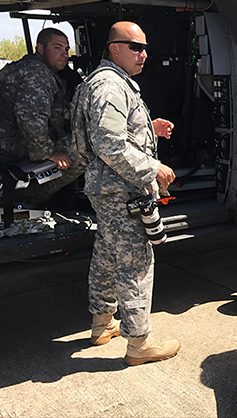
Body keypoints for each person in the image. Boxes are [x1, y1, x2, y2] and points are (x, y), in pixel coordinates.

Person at [71, 21, 178, 365]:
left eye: (145, 48)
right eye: (135, 47)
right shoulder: (110, 86)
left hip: (107, 188)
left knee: (106, 254)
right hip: (121, 189)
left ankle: (102, 324)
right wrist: (153, 168)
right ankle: (138, 344)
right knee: (136, 262)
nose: (143, 54)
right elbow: (110, 144)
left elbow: (113, 133)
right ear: (114, 48)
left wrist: (152, 129)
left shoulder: (106, 82)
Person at [0, 28, 83, 204]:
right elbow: (31, 118)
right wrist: (47, 153)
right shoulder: (36, 73)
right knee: (80, 150)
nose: (65, 54)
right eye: (57, 48)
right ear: (40, 49)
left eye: (66, 49)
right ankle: (28, 196)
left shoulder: (28, 67)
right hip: (6, 145)